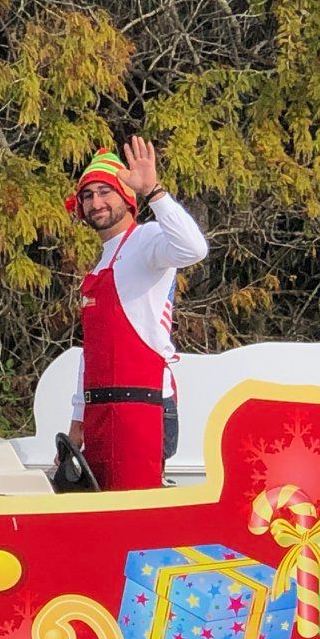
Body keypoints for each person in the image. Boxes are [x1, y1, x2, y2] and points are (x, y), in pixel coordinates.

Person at [65, 139, 207, 491]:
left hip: (142, 406)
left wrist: (154, 192)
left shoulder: (148, 240)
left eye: (105, 192)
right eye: (88, 195)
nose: (96, 202)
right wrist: (78, 419)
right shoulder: (100, 265)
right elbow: (92, 354)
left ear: (126, 198)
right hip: (101, 412)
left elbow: (194, 248)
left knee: (134, 517)